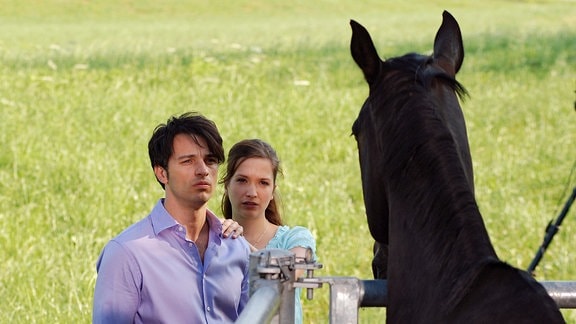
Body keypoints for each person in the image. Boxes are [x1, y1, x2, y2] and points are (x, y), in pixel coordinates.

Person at [93, 112, 251, 324]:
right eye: (188, 161)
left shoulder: (236, 247)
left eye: (210, 161)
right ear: (161, 173)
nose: (203, 170)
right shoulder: (126, 254)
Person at [220, 138, 317, 324]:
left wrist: (239, 243)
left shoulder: (295, 238)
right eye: (242, 180)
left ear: (273, 190)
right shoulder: (212, 241)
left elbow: (287, 273)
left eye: (263, 183)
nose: (252, 192)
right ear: (226, 185)